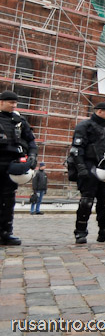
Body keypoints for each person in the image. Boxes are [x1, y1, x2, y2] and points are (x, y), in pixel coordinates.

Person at [71, 101, 105, 244]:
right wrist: (81, 168)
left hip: (103, 168)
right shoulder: (85, 126)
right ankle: (80, 232)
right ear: (99, 111)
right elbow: (76, 149)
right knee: (86, 201)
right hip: (88, 165)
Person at [0, 91, 37, 245]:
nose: (14, 105)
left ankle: (6, 233)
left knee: (8, 201)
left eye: (15, 103)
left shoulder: (20, 121)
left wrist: (33, 157)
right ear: (1, 102)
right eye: (11, 102)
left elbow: (31, 142)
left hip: (11, 165)